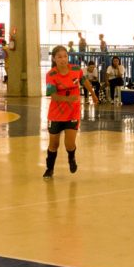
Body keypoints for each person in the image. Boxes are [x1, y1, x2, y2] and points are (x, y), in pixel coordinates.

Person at [43, 45, 98, 179]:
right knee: (54, 144)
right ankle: (49, 169)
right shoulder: (51, 75)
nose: (63, 59)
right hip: (56, 114)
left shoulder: (76, 69)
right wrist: (68, 99)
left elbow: (84, 81)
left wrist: (93, 94)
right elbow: (53, 95)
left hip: (73, 113)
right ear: (54, 59)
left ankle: (71, 158)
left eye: (65, 56)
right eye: (59, 57)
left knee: (70, 143)